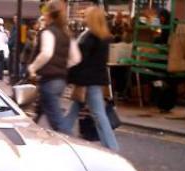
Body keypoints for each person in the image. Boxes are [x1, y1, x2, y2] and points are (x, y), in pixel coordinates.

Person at [62, 6, 118, 151]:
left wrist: (69, 77)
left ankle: (112, 147)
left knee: (99, 115)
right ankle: (61, 136)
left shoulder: (89, 37)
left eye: (86, 16)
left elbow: (79, 61)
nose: (83, 18)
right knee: (74, 110)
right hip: (94, 80)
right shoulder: (103, 37)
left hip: (87, 82)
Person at [27, 0, 80, 133]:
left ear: (48, 14)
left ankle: (72, 146)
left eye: (45, 12)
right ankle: (29, 135)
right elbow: (76, 58)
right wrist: (61, 65)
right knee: (37, 112)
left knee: (58, 124)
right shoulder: (67, 34)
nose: (43, 15)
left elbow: (46, 53)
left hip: (49, 81)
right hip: (60, 81)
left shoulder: (47, 32)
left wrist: (32, 68)